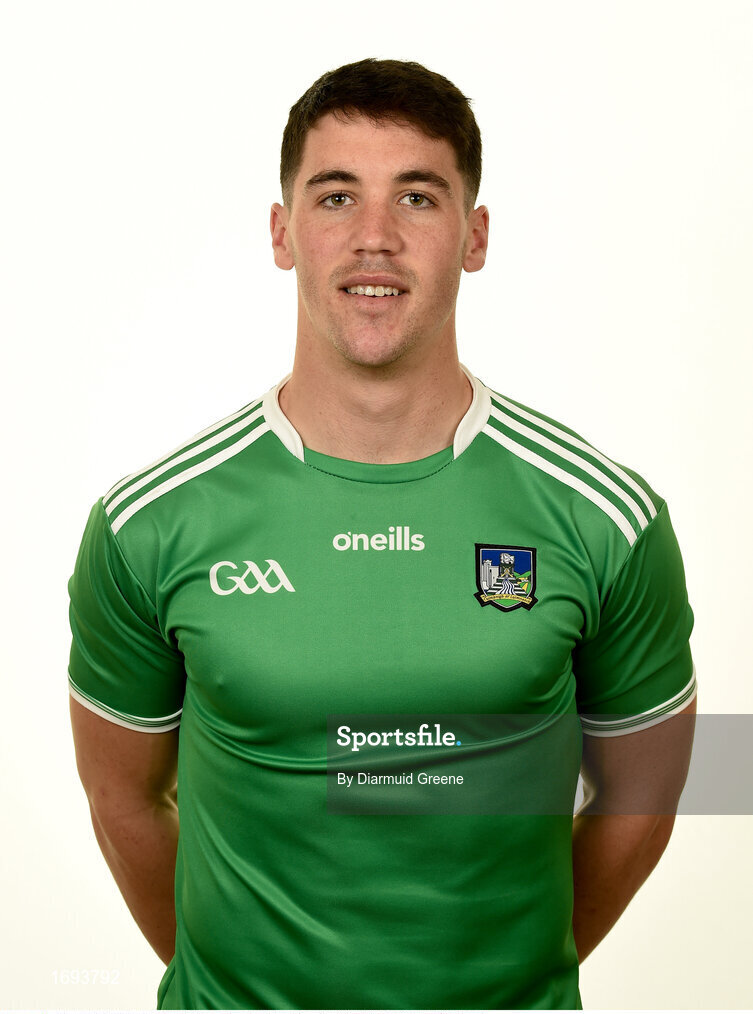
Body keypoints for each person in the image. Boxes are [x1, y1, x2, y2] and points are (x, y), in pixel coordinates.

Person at [68, 58, 697, 1010]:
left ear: (473, 236)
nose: (374, 237)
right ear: (281, 233)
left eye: (416, 196)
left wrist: (510, 979)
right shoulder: (149, 525)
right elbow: (122, 800)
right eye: (334, 197)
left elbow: (644, 797)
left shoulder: (605, 517)